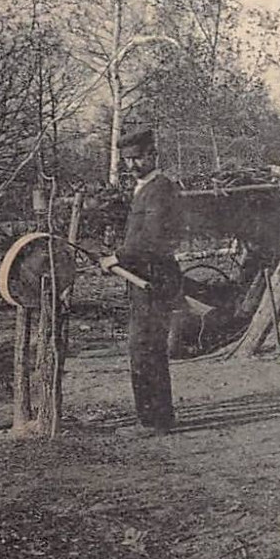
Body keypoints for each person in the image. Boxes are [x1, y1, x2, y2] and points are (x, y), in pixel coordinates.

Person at [100, 128, 183, 436]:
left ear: (152, 155)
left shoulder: (161, 189)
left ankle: (155, 421)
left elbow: (152, 239)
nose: (131, 166)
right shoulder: (143, 189)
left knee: (146, 348)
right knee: (144, 347)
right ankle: (154, 417)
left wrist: (116, 257)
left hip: (154, 279)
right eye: (127, 160)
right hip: (142, 278)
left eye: (137, 158)